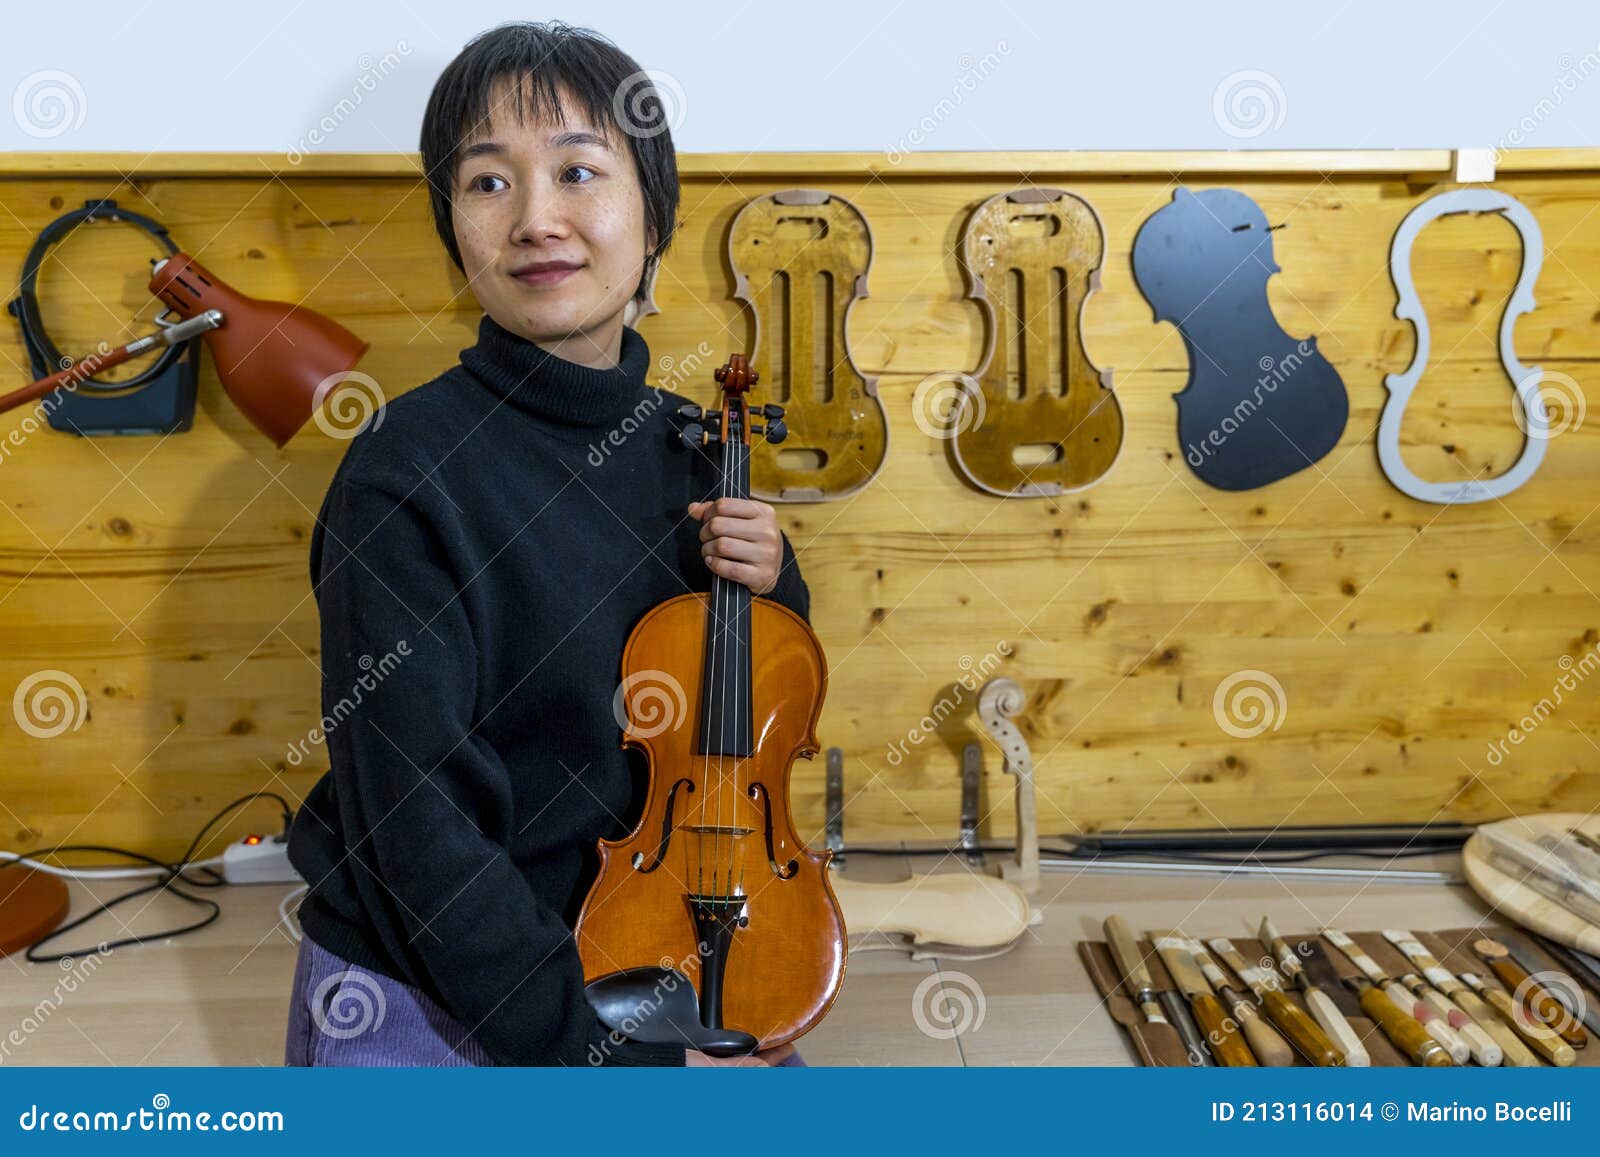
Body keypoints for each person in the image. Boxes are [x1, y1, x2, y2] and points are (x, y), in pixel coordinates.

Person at [283, 20, 806, 1068]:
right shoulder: (404, 472)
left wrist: (776, 579)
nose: (535, 219)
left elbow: (742, 723)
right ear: (453, 231)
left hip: (665, 928)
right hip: (448, 968)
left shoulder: (689, 446)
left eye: (578, 170)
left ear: (652, 216)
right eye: (486, 183)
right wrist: (591, 1048)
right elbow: (415, 825)